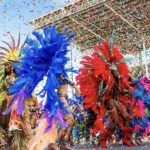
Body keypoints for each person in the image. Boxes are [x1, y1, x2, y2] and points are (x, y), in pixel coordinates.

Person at [76, 40, 134, 148]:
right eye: (114, 70)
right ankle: (103, 139)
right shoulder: (106, 80)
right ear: (110, 70)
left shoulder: (119, 80)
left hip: (117, 100)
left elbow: (120, 90)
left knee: (126, 118)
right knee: (115, 121)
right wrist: (99, 102)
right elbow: (102, 92)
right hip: (109, 100)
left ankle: (126, 139)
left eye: (117, 69)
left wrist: (127, 91)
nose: (116, 71)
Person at [0, 33, 28, 149]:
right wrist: (3, 94)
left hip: (15, 101)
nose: (7, 67)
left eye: (9, 64)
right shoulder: (3, 79)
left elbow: (23, 89)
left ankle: (15, 143)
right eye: (5, 65)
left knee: (15, 123)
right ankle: (5, 141)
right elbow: (2, 89)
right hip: (5, 102)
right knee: (3, 122)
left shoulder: (18, 77)